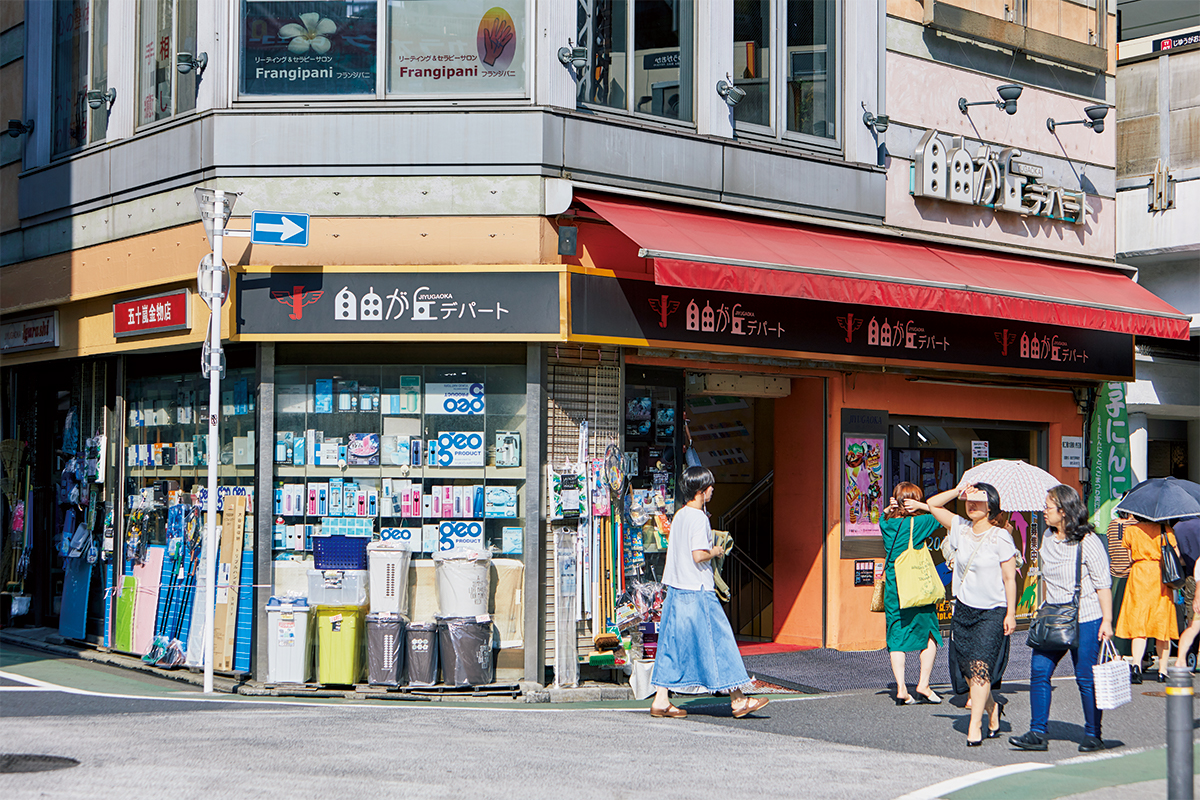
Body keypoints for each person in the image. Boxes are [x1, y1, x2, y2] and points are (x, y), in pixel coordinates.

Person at [648, 466, 769, 719]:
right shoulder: (699, 518)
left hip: (676, 588)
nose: (713, 489)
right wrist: (716, 551)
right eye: (710, 486)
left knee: (671, 644)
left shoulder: (680, 515)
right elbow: (699, 555)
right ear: (701, 491)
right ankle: (738, 701)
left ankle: (661, 699)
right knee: (719, 642)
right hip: (699, 590)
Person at [1009, 485, 1113, 753]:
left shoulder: (1088, 541)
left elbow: (1103, 585)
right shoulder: (1047, 536)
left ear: (1064, 511)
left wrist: (1107, 622)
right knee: (1039, 671)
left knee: (1085, 677)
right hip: (1053, 615)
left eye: (1048, 506)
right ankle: (1037, 733)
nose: (1044, 511)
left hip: (1086, 617)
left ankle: (1093, 734)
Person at [916, 483, 1017, 747]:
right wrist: (959, 488)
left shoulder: (1000, 537)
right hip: (963, 609)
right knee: (969, 669)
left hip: (992, 612)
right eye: (968, 500)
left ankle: (975, 726)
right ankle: (992, 708)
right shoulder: (960, 528)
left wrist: (1011, 613)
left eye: (978, 501)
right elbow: (934, 503)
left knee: (981, 666)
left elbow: (1009, 578)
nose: (971, 505)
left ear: (991, 506)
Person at [880, 482, 944, 705]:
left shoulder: (886, 523)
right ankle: (923, 684)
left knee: (896, 635)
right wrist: (923, 506)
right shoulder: (921, 522)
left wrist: (889, 510)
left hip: (893, 588)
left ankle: (900, 688)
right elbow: (941, 514)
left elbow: (884, 516)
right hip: (916, 586)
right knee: (929, 632)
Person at [1114, 513, 1180, 683]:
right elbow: (1176, 556)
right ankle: (1162, 670)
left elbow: (1130, 558)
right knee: (1161, 624)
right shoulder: (1166, 530)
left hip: (1138, 576)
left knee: (1138, 623)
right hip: (1159, 577)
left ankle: (1136, 665)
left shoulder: (1131, 530)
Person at [1171, 516, 1200, 671]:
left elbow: (1178, 559)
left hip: (1191, 577)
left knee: (1192, 619)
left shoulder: (1176, 528)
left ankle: (1189, 656)